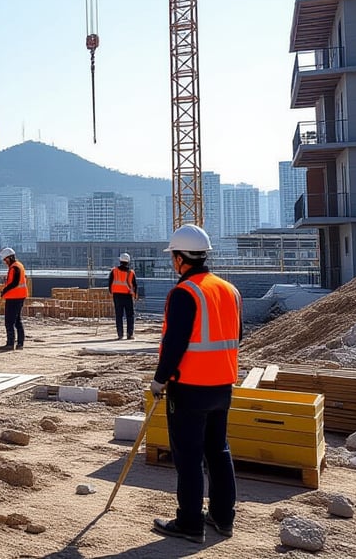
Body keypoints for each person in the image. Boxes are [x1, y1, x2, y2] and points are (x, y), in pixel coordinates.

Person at [150, 224, 242, 543]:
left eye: (173, 257)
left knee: (188, 457)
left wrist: (159, 380)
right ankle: (222, 516)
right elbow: (236, 336)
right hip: (223, 385)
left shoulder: (185, 292)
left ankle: (190, 523)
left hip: (189, 387)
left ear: (179, 259)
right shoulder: (229, 290)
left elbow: (175, 343)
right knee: (218, 451)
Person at [0, 247, 29, 351]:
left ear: (10, 257)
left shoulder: (15, 267)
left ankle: (10, 344)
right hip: (18, 296)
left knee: (9, 321)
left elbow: (14, 283)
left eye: (5, 260)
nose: (5, 262)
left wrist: (5, 290)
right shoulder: (18, 266)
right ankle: (19, 343)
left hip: (14, 297)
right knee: (17, 320)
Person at [110, 252, 138, 340]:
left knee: (119, 315)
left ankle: (120, 335)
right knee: (130, 315)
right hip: (128, 296)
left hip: (117, 296)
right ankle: (130, 334)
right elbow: (135, 285)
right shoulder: (131, 273)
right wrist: (135, 296)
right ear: (128, 261)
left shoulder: (114, 271)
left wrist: (112, 293)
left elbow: (110, 283)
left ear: (120, 261)